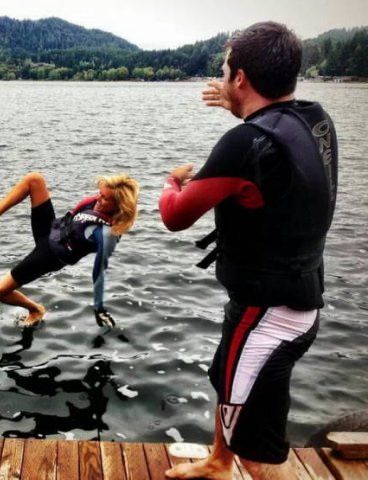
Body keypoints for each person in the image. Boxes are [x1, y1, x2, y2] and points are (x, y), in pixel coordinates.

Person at [159, 22, 338, 479]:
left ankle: (238, 461)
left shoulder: (243, 143)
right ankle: (220, 462)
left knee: (260, 454)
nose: (220, 80)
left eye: (225, 72)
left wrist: (172, 181)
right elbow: (271, 155)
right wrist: (242, 113)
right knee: (226, 378)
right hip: (290, 300)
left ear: (240, 79)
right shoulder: (315, 120)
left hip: (270, 315)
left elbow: (176, 216)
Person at [0, 172, 139, 327]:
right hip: (51, 231)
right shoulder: (96, 203)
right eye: (99, 193)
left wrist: (99, 306)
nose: (98, 199)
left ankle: (36, 309)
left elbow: (99, 270)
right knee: (35, 180)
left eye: (104, 198)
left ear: (117, 205)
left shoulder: (107, 233)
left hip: (49, 256)